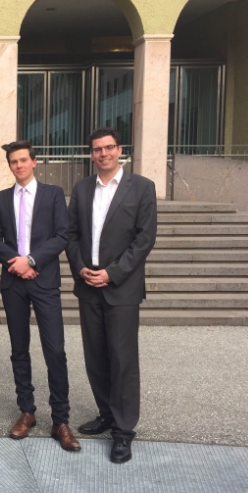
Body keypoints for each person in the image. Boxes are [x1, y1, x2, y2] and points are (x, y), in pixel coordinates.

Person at [67, 127, 158, 464]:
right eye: (97, 149)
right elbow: (71, 234)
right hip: (88, 284)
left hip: (121, 287)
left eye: (108, 148)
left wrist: (113, 273)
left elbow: (144, 239)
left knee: (123, 360)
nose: (103, 154)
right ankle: (106, 413)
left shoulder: (142, 187)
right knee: (96, 357)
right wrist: (80, 268)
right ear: (91, 154)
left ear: (120, 150)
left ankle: (123, 431)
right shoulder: (82, 188)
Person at [0, 141, 81, 452]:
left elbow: (62, 235)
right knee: (19, 350)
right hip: (13, 282)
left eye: (23, 160)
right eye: (13, 161)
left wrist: (31, 261)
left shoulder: (53, 194)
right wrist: (15, 262)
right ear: (10, 165)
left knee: (55, 350)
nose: (19, 165)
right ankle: (27, 411)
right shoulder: (2, 199)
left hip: (44, 280)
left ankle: (60, 420)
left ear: (34, 162)